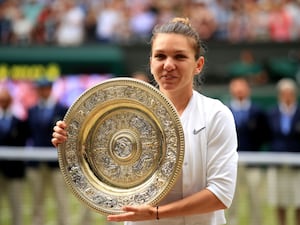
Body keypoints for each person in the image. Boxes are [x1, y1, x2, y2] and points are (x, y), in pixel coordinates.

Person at [52, 17, 238, 225]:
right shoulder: (123, 111)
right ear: (151, 63)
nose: (168, 65)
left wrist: (157, 213)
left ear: (198, 65)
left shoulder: (216, 115)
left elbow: (221, 195)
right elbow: (98, 164)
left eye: (179, 57)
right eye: (160, 56)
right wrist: (72, 141)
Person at [25, 78, 70, 225]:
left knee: (61, 199)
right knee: (37, 200)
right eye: (39, 88)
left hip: (57, 164)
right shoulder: (31, 110)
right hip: (37, 163)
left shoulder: (62, 109)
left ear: (50, 89)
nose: (42, 91)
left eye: (44, 88)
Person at [227, 77, 269, 225]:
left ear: (248, 90)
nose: (239, 90)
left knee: (255, 198)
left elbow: (265, 135)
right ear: (231, 89)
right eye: (236, 87)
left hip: (254, 162)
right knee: (232, 198)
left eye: (242, 87)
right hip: (231, 164)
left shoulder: (258, 112)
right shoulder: (226, 111)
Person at [266, 78, 300, 225]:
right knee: (279, 199)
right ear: (279, 95)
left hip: (297, 165)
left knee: (298, 199)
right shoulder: (271, 113)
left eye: (290, 93)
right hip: (277, 163)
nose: (287, 96)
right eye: (284, 93)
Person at [0, 87, 27, 225]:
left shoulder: (19, 122)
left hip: (14, 171)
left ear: (10, 101)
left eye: (5, 100)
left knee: (16, 205)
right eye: (1, 100)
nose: (3, 102)